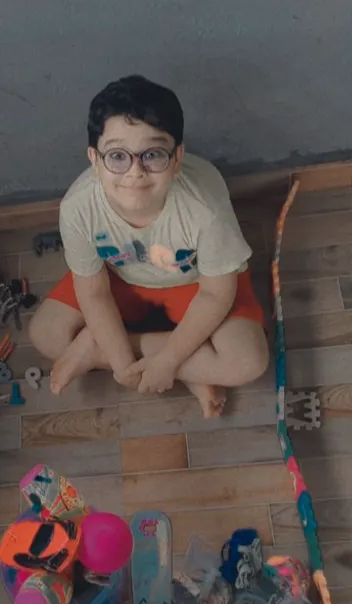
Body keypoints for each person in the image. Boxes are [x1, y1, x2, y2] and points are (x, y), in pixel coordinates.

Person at [29, 75, 269, 418]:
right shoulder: (77, 206)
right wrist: (123, 363)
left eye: (153, 154)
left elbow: (217, 294)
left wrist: (168, 362)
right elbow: (93, 292)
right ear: (94, 160)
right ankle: (192, 369)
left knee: (248, 361)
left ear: (177, 158)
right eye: (117, 156)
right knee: (45, 333)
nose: (135, 172)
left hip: (197, 283)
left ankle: (95, 347)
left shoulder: (205, 208)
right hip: (120, 279)